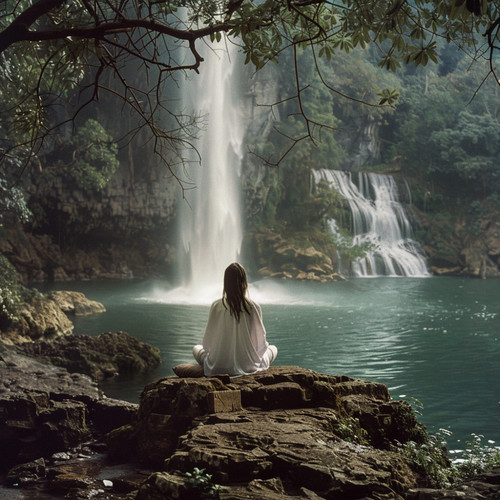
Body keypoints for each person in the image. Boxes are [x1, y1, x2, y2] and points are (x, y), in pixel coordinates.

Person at [193, 262, 277, 377]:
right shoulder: (253, 307)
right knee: (273, 349)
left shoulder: (216, 305)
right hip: (249, 366)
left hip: (217, 367)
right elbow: (261, 345)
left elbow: (207, 344)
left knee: (196, 348)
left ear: (226, 283)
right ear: (244, 283)